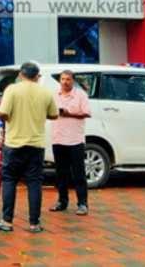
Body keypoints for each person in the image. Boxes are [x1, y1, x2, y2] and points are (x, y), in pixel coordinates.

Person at [0, 61, 58, 233]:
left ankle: (7, 221)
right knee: (34, 183)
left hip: (14, 143)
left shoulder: (12, 90)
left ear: (20, 75)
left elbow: (3, 113)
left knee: (9, 181)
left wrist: (6, 121)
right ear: (37, 76)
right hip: (36, 144)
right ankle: (34, 223)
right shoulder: (45, 93)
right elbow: (54, 115)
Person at [49, 71, 92, 216]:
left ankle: (82, 203)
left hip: (75, 140)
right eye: (62, 79)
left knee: (79, 173)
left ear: (73, 81)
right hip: (58, 139)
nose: (65, 82)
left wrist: (69, 113)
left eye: (68, 79)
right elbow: (47, 112)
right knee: (61, 172)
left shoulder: (80, 95)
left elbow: (86, 112)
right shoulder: (54, 95)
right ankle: (62, 201)